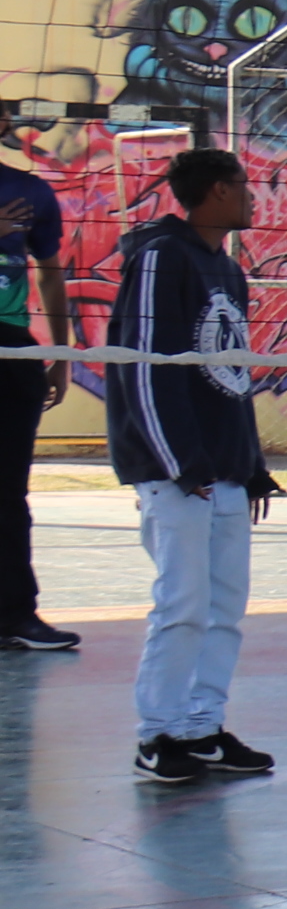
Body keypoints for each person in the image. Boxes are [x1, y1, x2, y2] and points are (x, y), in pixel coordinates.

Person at [106, 148, 277, 784]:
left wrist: (250, 463)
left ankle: (203, 727)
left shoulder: (227, 269)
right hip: (177, 473)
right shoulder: (160, 257)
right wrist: (181, 462)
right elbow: (142, 367)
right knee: (181, 605)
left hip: (223, 470)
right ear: (217, 191)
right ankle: (157, 734)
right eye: (244, 186)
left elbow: (233, 374)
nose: (254, 197)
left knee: (225, 608)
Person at [0, 131, 75, 653]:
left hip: (12, 351)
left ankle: (15, 615)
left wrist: (61, 356)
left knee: (8, 493)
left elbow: (50, 275)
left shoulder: (30, 192)